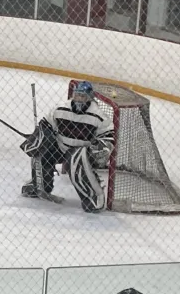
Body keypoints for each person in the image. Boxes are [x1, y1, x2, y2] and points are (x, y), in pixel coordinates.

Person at [20, 81, 114, 211]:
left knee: (75, 158)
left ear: (89, 98)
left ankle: (93, 196)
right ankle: (40, 185)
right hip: (61, 148)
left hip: (82, 154)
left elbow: (107, 137)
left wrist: (99, 149)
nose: (79, 99)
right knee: (41, 149)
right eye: (77, 95)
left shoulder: (98, 116)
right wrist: (39, 137)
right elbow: (46, 124)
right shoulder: (61, 109)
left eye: (82, 96)